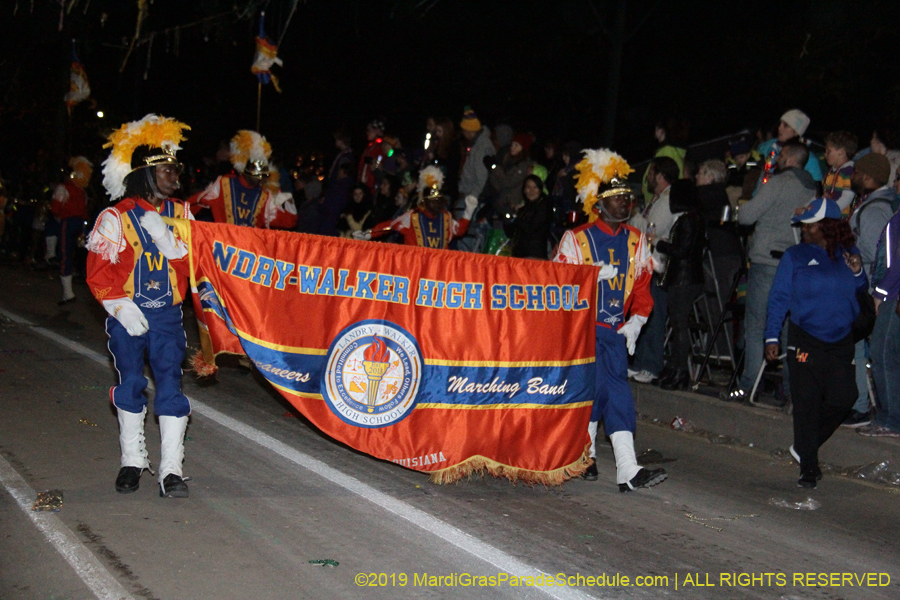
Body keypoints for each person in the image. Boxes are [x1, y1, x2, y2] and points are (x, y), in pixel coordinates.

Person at [85, 114, 194, 498]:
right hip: (127, 315)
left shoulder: (183, 215)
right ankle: (132, 461)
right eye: (167, 170)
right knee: (130, 382)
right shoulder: (114, 217)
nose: (174, 177)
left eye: (176, 170)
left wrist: (167, 240)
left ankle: (171, 470)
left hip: (167, 316)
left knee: (170, 385)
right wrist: (122, 309)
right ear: (145, 174)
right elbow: (98, 274)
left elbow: (197, 266)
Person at [553, 149, 665, 492]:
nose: (624, 203)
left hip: (616, 332)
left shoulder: (637, 241)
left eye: (627, 197)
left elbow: (643, 289)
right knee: (608, 392)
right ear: (599, 204)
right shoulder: (576, 239)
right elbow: (556, 287)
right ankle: (623, 467)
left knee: (604, 392)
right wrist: (588, 278)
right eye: (616, 198)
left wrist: (637, 322)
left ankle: (589, 457)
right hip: (583, 332)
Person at [764, 198, 866, 487]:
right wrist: (771, 336)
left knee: (844, 397)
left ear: (826, 226)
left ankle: (804, 446)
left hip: (840, 339)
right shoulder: (795, 256)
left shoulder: (849, 254)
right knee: (806, 402)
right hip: (805, 338)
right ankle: (808, 467)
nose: (804, 229)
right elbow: (779, 298)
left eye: (809, 225)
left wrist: (859, 272)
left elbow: (861, 290)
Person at [730, 142, 816, 401]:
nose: (777, 158)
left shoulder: (779, 183)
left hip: (768, 261)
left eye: (781, 154)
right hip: (795, 263)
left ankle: (748, 386)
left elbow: (747, 215)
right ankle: (791, 391)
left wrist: (744, 205)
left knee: (757, 326)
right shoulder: (812, 187)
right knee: (789, 329)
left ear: (789, 158)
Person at [844, 153, 895, 425]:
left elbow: (878, 253)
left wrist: (847, 248)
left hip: (870, 288)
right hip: (874, 287)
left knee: (865, 348)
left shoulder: (875, 209)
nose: (852, 177)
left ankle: (862, 406)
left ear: (867, 176)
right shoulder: (878, 203)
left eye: (856, 173)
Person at [628, 156, 679, 384]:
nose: (647, 178)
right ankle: (639, 362)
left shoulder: (667, 201)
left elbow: (650, 229)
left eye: (650, 173)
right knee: (642, 312)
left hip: (657, 265)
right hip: (646, 263)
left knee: (654, 316)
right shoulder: (657, 199)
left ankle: (651, 365)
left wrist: (634, 214)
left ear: (660, 176)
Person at [652, 180, 707, 390]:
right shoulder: (693, 218)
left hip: (683, 279)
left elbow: (681, 250)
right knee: (678, 325)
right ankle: (675, 368)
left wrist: (659, 243)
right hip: (687, 278)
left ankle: (679, 370)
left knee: (679, 325)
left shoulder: (688, 220)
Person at [189, 130, 296, 229]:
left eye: (262, 176)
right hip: (223, 242)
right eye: (257, 175)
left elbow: (289, 222)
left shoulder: (264, 196)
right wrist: (182, 224)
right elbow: (194, 203)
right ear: (245, 169)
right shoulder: (224, 184)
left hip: (249, 243)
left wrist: (289, 201)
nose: (260, 179)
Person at [356, 165, 476, 249]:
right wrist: (369, 233)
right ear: (425, 202)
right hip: (415, 267)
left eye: (438, 201)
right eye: (433, 202)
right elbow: (390, 225)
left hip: (437, 269)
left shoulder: (446, 217)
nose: (436, 205)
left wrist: (468, 212)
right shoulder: (413, 216)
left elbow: (459, 230)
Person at [861, 209, 900, 438]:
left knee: (883, 356)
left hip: (893, 296)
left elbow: (896, 261)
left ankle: (891, 419)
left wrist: (880, 292)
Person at [51, 156, 92, 304]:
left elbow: (55, 209)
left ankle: (68, 293)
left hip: (67, 223)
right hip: (80, 224)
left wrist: (60, 218)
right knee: (74, 254)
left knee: (65, 254)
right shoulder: (82, 192)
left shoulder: (64, 188)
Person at [755, 109, 823, 192]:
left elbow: (816, 189)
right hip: (761, 194)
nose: (779, 128)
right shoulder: (768, 147)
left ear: (796, 132)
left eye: (786, 125)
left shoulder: (808, 158)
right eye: (780, 124)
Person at [505, 174, 553, 259]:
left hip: (534, 255)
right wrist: (509, 218)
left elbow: (532, 228)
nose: (531, 191)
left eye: (535, 187)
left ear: (540, 190)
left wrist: (518, 219)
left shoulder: (544, 207)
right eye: (528, 187)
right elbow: (511, 233)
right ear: (524, 190)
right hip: (519, 255)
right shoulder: (523, 209)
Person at [457, 107, 494, 206]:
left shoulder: (481, 147)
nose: (463, 134)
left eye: (464, 131)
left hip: (474, 198)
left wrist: (472, 199)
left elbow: (482, 177)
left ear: (470, 131)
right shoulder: (475, 144)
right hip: (469, 194)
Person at [822, 131, 858, 214]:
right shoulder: (831, 172)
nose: (825, 154)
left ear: (841, 152)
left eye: (828, 151)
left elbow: (846, 198)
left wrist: (831, 210)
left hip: (839, 217)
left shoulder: (849, 172)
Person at [358, 119, 387, 195]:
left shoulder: (381, 147)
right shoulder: (369, 147)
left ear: (377, 132)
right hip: (363, 186)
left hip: (372, 188)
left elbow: (378, 166)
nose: (367, 133)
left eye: (369, 131)